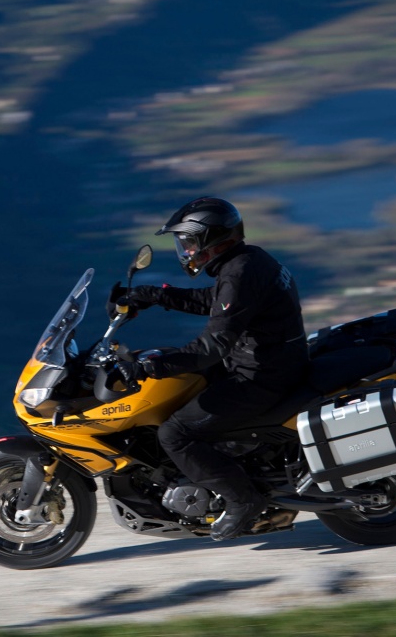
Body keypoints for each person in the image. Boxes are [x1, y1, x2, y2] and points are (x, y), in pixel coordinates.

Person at [110, 196, 309, 541]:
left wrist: (150, 367)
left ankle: (243, 501)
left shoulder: (239, 272)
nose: (185, 250)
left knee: (175, 434)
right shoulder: (247, 261)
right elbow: (215, 302)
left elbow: (212, 347)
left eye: (188, 242)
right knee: (186, 384)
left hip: (261, 378)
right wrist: (153, 295)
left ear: (211, 239)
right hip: (268, 364)